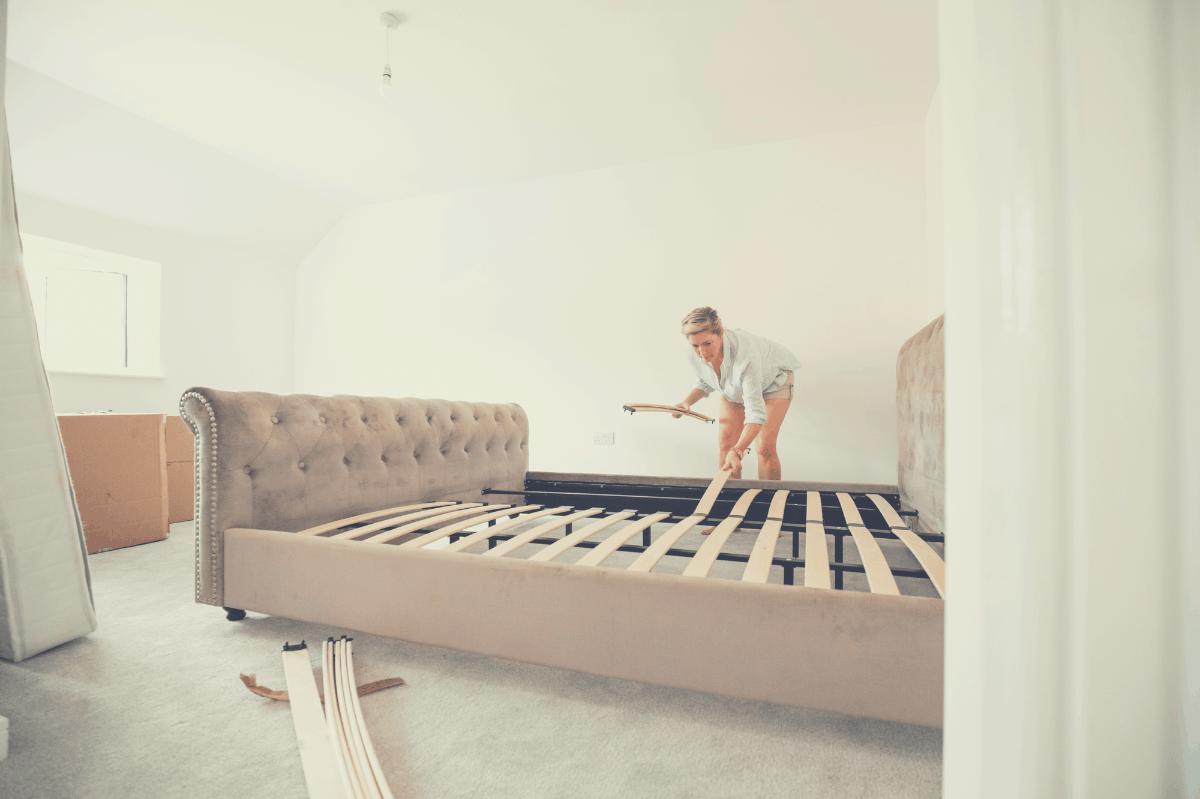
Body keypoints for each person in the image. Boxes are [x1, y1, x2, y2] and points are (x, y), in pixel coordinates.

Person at [672, 307, 801, 480]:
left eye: (707, 344)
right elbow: (706, 380)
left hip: (775, 378)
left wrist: (739, 450)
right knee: (726, 444)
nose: (702, 352)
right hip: (739, 385)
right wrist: (687, 402)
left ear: (720, 334)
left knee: (764, 447)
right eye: (696, 346)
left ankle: (769, 503)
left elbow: (755, 413)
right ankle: (728, 501)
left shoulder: (745, 356)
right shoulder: (694, 352)